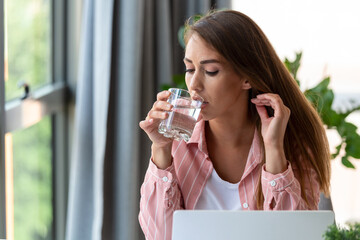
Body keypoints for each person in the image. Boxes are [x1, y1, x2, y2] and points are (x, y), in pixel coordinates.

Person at [138, 9, 331, 240]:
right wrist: (160, 149)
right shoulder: (178, 143)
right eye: (190, 69)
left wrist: (274, 151)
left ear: (246, 78)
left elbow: (295, 236)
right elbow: (160, 235)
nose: (194, 85)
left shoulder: (291, 143)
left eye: (211, 71)